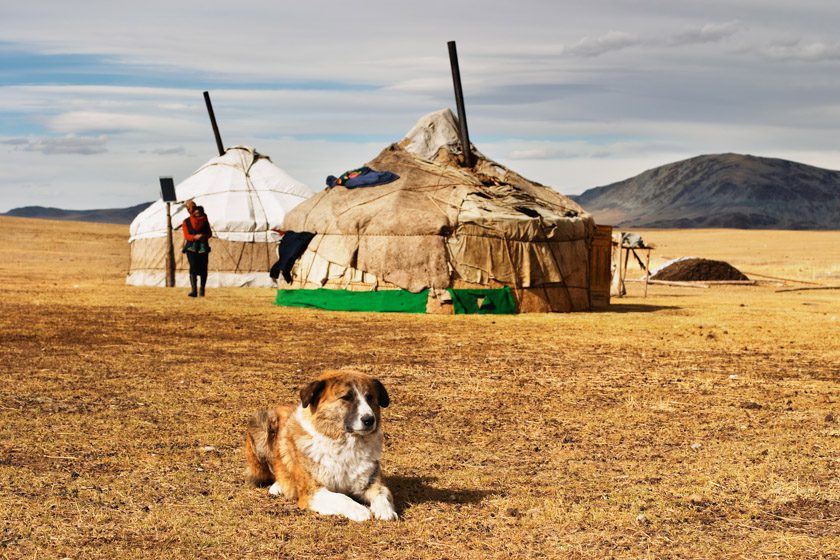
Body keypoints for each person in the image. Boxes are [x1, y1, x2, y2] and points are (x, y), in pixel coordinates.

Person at [182, 204, 212, 297]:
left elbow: (209, 233)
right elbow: (186, 235)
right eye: (195, 211)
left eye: (198, 211)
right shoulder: (186, 221)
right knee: (193, 266)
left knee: (203, 267)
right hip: (191, 247)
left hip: (203, 247)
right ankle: (194, 290)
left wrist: (203, 236)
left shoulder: (205, 221)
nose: (196, 213)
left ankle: (202, 290)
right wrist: (194, 237)